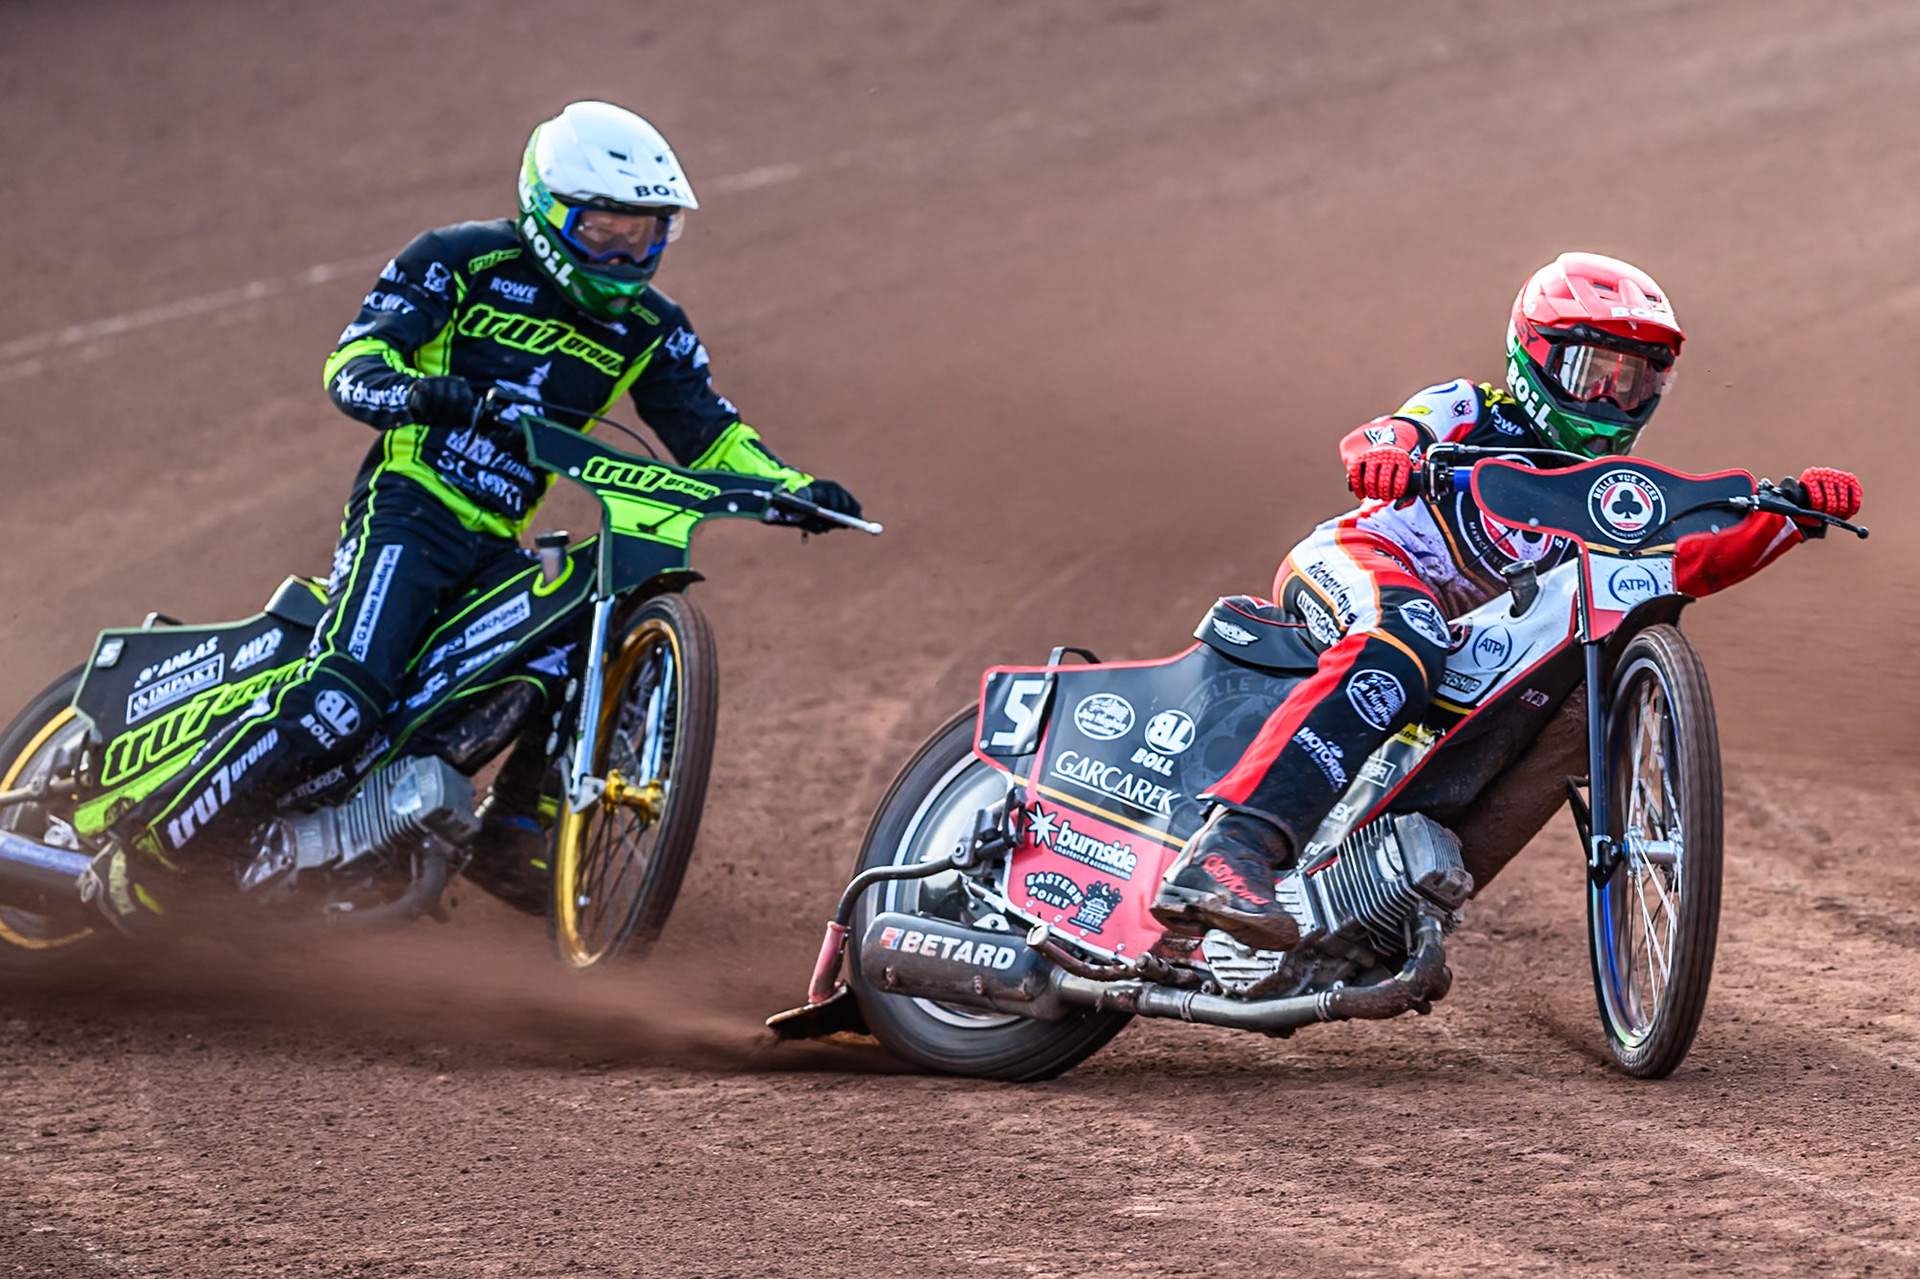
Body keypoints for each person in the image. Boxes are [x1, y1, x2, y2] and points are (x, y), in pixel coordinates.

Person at [96, 101, 860, 923]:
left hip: (497, 539)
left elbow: (710, 436)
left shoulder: (652, 328)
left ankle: (512, 828)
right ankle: (154, 850)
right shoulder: (459, 259)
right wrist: (418, 391)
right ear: (546, 209)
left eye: (644, 234)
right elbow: (354, 363)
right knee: (344, 697)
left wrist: (791, 487)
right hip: (411, 508)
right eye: (604, 230)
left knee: (565, 644)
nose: (624, 253)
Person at [1150, 252, 1863, 949]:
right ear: (1533, 356)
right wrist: (1389, 453)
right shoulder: (1470, 407)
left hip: (1471, 634)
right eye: (1592, 371)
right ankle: (1229, 846)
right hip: (1369, 559)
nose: (1610, 399)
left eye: (1634, 379)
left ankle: (1385, 914)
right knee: (1408, 638)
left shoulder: (1611, 499)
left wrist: (1793, 514)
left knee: (1585, 699)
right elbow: (1388, 431)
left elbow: (1687, 561)